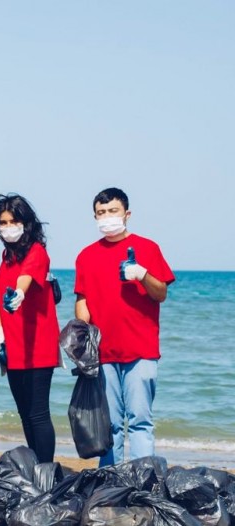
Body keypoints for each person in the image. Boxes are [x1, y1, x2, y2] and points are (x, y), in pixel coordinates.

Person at [74, 187, 174, 466]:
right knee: (110, 425)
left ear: (127, 214)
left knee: (140, 421)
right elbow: (82, 300)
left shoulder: (148, 248)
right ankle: (111, 481)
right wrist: (81, 331)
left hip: (141, 350)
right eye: (101, 213)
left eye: (112, 211)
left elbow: (161, 293)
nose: (107, 217)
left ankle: (144, 483)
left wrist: (142, 274)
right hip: (103, 354)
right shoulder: (86, 256)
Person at [0, 194, 60, 463]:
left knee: (38, 412)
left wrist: (19, 293)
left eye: (14, 221)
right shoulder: (6, 255)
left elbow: (26, 277)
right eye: (3, 223)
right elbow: (0, 296)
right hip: (13, 345)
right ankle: (35, 465)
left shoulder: (37, 252)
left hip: (38, 344)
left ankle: (45, 471)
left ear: (26, 222)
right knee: (24, 412)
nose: (8, 227)